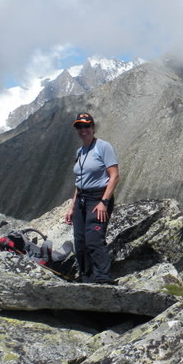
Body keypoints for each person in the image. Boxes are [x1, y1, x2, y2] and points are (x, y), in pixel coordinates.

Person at [63, 112, 120, 283]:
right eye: (79, 127)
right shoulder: (80, 151)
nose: (83, 130)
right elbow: (79, 181)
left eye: (86, 126)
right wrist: (72, 207)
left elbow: (114, 175)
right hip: (81, 199)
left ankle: (103, 279)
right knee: (80, 242)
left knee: (94, 240)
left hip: (98, 198)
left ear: (93, 127)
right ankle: (87, 279)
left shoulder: (103, 147)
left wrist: (104, 202)